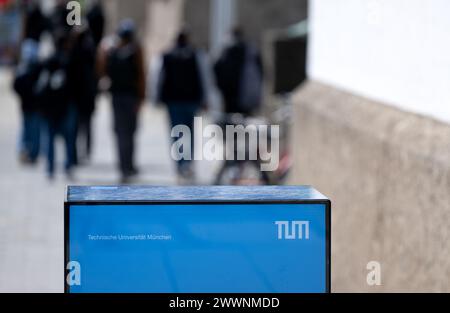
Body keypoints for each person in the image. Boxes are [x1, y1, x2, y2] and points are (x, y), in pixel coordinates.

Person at [98, 19, 145, 183]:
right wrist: (141, 98)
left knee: (120, 132)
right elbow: (141, 76)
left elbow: (102, 71)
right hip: (131, 97)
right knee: (130, 132)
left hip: (116, 97)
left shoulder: (110, 49)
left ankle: (123, 166)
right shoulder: (135, 51)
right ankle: (129, 166)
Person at [156, 30, 206, 180]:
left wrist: (156, 98)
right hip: (191, 101)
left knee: (177, 133)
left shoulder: (166, 56)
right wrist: (205, 99)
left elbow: (158, 77)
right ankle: (187, 163)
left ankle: (180, 164)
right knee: (189, 133)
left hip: (173, 102)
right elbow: (204, 77)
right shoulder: (196, 55)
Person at [34, 29, 77, 180]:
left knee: (50, 139)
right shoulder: (69, 62)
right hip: (66, 106)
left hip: (49, 108)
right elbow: (75, 86)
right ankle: (68, 166)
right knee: (68, 139)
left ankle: (50, 168)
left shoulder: (48, 61)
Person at [214, 27, 263, 116]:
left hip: (230, 95)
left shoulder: (226, 51)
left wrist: (221, 87)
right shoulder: (250, 51)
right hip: (245, 94)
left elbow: (216, 69)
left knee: (230, 122)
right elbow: (261, 72)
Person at [13, 39, 42, 164]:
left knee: (27, 129)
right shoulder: (36, 68)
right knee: (33, 131)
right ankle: (30, 153)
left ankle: (26, 151)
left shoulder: (24, 68)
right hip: (32, 105)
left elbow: (15, 86)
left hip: (28, 105)